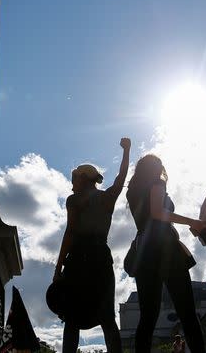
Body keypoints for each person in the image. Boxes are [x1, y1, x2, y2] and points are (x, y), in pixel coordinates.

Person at [53, 138, 131, 353]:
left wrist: (58, 267)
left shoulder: (74, 200)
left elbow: (69, 233)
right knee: (107, 317)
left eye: (74, 179)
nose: (72, 184)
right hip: (100, 257)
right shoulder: (107, 198)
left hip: (79, 258)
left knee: (72, 317)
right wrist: (127, 151)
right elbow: (121, 178)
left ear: (83, 178)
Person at [126, 154, 206, 353]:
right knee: (187, 313)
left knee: (148, 317)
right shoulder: (157, 183)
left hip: (144, 252)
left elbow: (148, 217)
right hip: (166, 250)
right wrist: (193, 222)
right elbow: (157, 213)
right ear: (156, 169)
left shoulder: (133, 191)